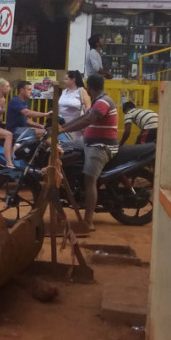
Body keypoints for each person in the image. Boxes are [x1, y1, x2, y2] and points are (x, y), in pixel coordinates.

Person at [59, 75, 119, 231]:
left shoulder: (103, 102)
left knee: (90, 178)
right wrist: (61, 129)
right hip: (88, 142)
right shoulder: (97, 101)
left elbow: (88, 120)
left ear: (89, 88)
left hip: (101, 146)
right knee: (63, 147)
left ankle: (88, 221)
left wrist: (63, 130)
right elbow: (85, 117)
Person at [59, 70, 92, 141]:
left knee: (73, 143)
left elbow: (88, 107)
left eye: (66, 79)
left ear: (73, 80)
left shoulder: (81, 91)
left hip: (75, 125)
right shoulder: (64, 91)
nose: (64, 81)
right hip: (62, 123)